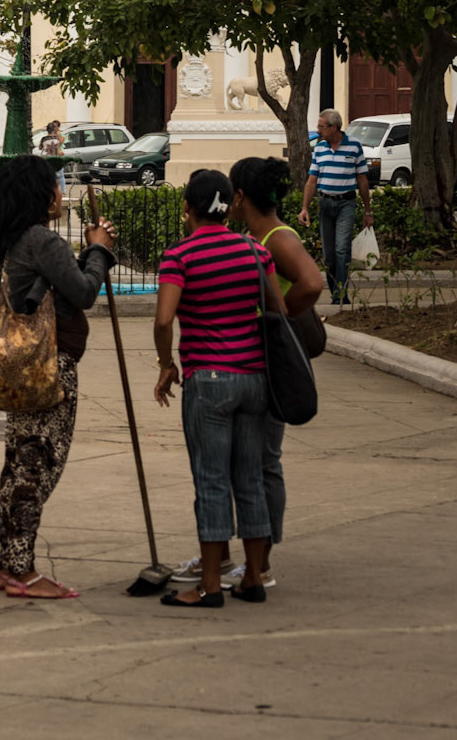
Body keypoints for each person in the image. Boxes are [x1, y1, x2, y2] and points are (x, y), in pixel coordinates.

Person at [170, 157, 325, 591]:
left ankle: (260, 564)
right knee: (242, 467)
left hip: (256, 365)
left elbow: (311, 283)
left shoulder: (275, 239)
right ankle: (223, 561)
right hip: (247, 366)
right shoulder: (253, 241)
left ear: (238, 197)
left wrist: (277, 322)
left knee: (260, 465)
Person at [154, 167, 288, 609]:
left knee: (211, 481)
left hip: (208, 382)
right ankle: (252, 576)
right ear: (229, 206)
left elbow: (164, 319)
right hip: (254, 381)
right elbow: (278, 309)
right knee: (249, 479)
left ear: (187, 208)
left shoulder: (180, 257)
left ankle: (210, 586)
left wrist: (165, 363)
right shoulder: (254, 252)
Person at [0, 156, 116, 600]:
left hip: (25, 366)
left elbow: (58, 283)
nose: (61, 193)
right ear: (39, 195)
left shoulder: (16, 238)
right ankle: (20, 570)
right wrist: (99, 251)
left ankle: (9, 565)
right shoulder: (42, 239)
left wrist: (89, 251)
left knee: (21, 463)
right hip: (49, 366)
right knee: (37, 466)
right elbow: (83, 291)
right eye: (54, 186)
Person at [299, 109, 373, 304]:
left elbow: (362, 180)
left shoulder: (354, 147)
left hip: (346, 204)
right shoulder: (320, 148)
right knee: (329, 255)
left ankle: (341, 294)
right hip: (325, 204)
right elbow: (312, 181)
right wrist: (304, 208)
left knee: (342, 249)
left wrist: (368, 211)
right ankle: (335, 291)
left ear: (333, 127)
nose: (318, 130)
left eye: (321, 127)